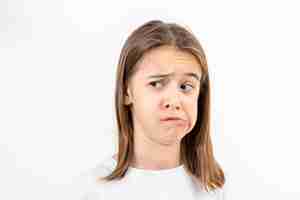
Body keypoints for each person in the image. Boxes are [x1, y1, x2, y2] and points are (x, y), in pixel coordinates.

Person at [75, 19, 226, 200]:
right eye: (156, 83)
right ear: (126, 92)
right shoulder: (95, 190)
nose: (174, 101)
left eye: (186, 87)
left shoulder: (213, 188)